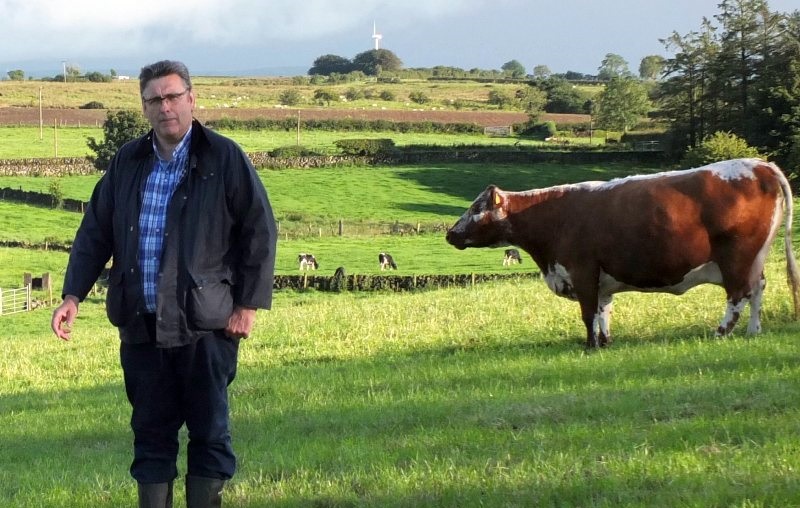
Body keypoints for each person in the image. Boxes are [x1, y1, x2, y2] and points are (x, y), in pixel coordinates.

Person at [50, 60, 277, 508]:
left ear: (192, 99)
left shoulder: (223, 157)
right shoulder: (128, 162)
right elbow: (95, 231)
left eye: (173, 96)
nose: (165, 106)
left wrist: (247, 305)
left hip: (206, 327)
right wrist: (73, 294)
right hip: (140, 326)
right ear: (144, 107)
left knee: (209, 433)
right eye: (155, 99)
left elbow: (259, 230)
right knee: (150, 435)